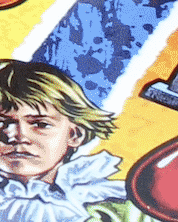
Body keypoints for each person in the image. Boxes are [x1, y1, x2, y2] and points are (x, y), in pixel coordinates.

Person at [0, 59, 137, 222]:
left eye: (40, 124)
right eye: (2, 123)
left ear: (75, 135)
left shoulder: (112, 204)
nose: (17, 136)